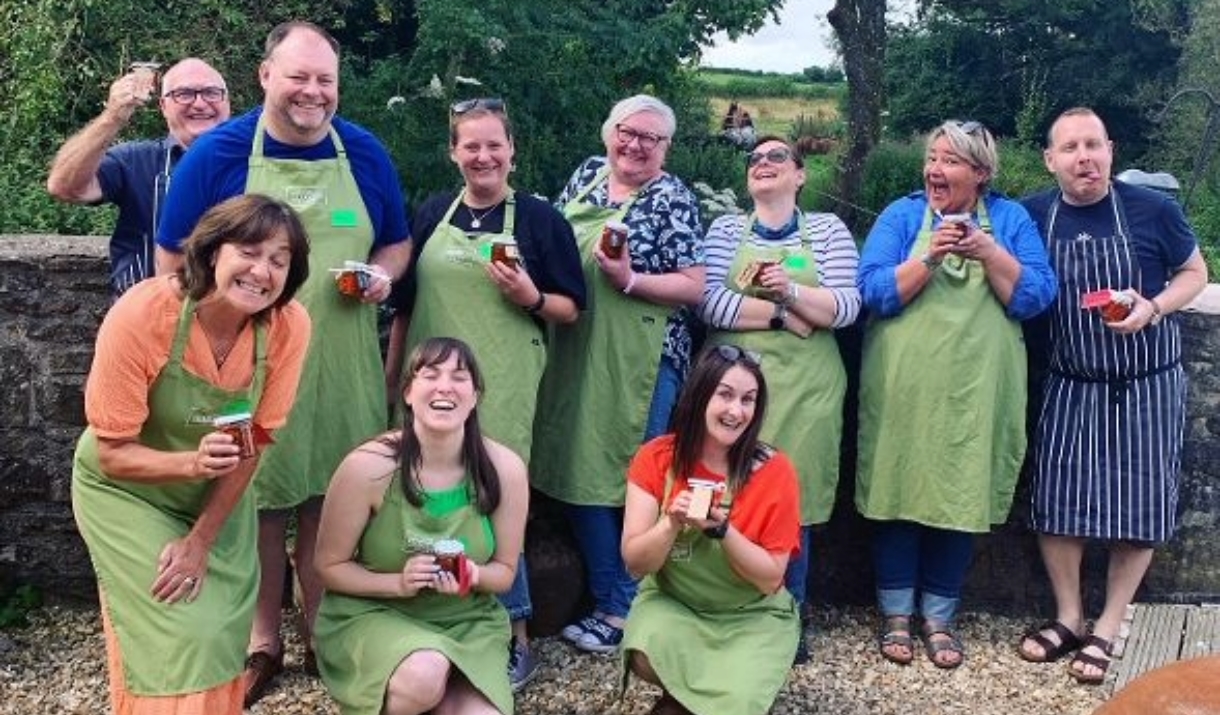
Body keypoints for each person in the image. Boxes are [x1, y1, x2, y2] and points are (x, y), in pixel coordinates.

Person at [152, 21, 414, 706]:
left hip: (340, 363)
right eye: (298, 76)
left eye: (326, 79)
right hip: (249, 364)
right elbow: (170, 263)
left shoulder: (364, 152)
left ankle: (324, 632)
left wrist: (382, 278)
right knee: (257, 503)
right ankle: (262, 640)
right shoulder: (218, 154)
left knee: (336, 500)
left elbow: (396, 241)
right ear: (266, 75)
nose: (313, 91)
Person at [70, 193, 311, 715]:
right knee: (178, 628)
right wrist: (191, 463)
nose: (262, 272)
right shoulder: (143, 315)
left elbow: (254, 442)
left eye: (279, 260)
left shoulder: (289, 327)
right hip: (126, 492)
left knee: (223, 632)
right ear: (212, 251)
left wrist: (201, 538)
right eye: (249, 252)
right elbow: (112, 454)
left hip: (216, 495)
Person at [383, 98, 586, 691]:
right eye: (470, 145)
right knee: (428, 493)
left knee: (497, 499)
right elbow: (404, 308)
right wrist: (391, 379)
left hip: (502, 383)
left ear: (512, 150)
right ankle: (434, 621)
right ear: (454, 152)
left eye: (494, 144)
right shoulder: (431, 213)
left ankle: (514, 634)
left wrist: (529, 295)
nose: (483, 156)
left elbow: (571, 309)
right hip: (430, 387)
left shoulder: (541, 221)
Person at [856, 120, 1056, 669]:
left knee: (961, 495)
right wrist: (929, 258)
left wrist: (989, 252)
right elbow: (872, 290)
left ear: (981, 173)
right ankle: (896, 613)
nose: (934, 170)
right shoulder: (903, 217)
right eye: (932, 158)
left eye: (949, 161)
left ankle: (940, 617)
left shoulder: (1010, 221)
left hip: (976, 390)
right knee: (896, 490)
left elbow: (1036, 296)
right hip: (904, 388)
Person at [1016, 107, 1208, 684]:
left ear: (1110, 151)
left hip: (1148, 381)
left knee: (1141, 507)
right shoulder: (1032, 215)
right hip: (1071, 380)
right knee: (1058, 501)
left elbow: (1195, 273)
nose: (1085, 158)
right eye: (1070, 148)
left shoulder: (1154, 209)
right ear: (1050, 160)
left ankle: (1109, 623)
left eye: (1093, 145)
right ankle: (1068, 616)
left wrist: (1152, 307)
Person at [531, 94, 705, 655]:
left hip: (642, 359)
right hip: (578, 347)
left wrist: (630, 280)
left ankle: (623, 605)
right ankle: (614, 597)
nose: (635, 145)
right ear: (609, 134)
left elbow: (694, 286)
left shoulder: (673, 199)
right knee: (577, 470)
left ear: (666, 148)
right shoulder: (587, 175)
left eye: (650, 138)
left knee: (636, 480)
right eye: (627, 132)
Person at [696, 135, 860, 663]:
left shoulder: (828, 230)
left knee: (795, 502)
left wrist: (789, 288)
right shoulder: (726, 229)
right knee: (725, 492)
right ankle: (722, 610)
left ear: (800, 174)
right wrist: (785, 315)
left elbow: (844, 306)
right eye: (755, 158)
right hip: (729, 388)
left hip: (806, 390)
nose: (763, 163)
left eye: (776, 157)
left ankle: (788, 615)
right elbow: (710, 302)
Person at [313, 337, 529, 715]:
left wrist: (473, 574)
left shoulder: (505, 469)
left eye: (459, 377)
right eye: (430, 375)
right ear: (408, 393)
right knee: (424, 675)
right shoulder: (369, 466)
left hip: (466, 622)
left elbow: (505, 573)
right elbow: (329, 567)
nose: (445, 386)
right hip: (375, 613)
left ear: (475, 397)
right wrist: (398, 583)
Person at [620, 344, 801, 715]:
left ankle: (687, 701)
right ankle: (701, 696)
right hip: (676, 605)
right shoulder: (656, 457)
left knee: (742, 698)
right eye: (725, 395)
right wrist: (670, 522)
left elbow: (770, 578)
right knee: (645, 651)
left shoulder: (775, 470)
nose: (736, 411)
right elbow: (635, 564)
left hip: (750, 614)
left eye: (748, 400)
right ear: (700, 395)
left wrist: (724, 532)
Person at [46, 58, 230, 296]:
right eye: (184, 94)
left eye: (211, 93)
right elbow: (64, 186)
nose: (200, 103)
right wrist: (112, 117)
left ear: (227, 101)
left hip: (230, 312)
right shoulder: (135, 160)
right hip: (144, 312)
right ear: (163, 106)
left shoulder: (254, 163)